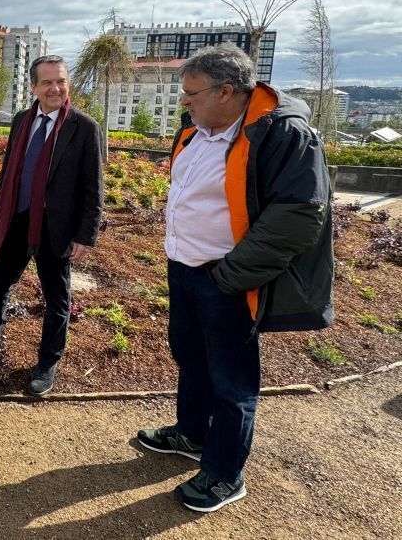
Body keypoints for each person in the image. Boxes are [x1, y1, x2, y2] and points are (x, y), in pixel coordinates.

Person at [137, 44, 333, 513]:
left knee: (231, 381)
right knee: (191, 358)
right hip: (185, 270)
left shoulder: (283, 134)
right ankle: (192, 434)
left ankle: (225, 474)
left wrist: (230, 277)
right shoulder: (198, 128)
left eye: (192, 93)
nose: (184, 101)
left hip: (228, 280)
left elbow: (300, 215)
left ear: (227, 91)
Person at [0, 54, 103, 396]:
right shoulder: (21, 120)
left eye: (61, 81)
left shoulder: (85, 128)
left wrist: (86, 235)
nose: (56, 88)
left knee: (57, 297)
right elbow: (9, 168)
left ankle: (48, 361)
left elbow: (94, 187)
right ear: (33, 87)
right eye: (47, 82)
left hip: (56, 226)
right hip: (17, 217)